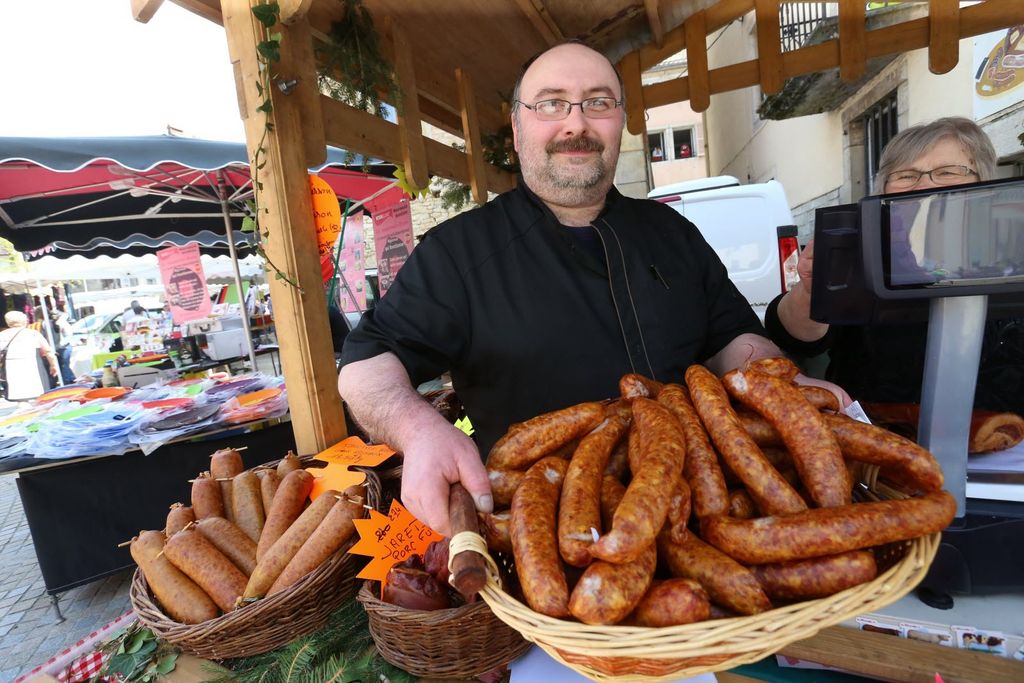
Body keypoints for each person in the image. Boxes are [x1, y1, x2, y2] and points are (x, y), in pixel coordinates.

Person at [338, 41, 845, 536]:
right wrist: (418, 430)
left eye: (598, 102)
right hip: (541, 530)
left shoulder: (672, 232)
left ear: (621, 120)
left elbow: (732, 336)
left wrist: (782, 391)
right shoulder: (458, 252)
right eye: (551, 104)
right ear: (516, 127)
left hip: (699, 514)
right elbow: (365, 363)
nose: (576, 123)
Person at [765, 116, 1021, 414]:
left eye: (947, 172)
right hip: (874, 431)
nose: (925, 184)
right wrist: (813, 288)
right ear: (884, 189)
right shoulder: (860, 249)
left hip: (1007, 431)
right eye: (906, 175)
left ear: (984, 182)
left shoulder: (1011, 250)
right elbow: (794, 336)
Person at [0, 311, 60, 400]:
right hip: (33, 366)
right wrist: (53, 365)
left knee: (20, 397)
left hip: (11, 368)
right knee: (39, 395)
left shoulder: (2, 335)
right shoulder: (33, 333)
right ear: (24, 321)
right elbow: (48, 351)